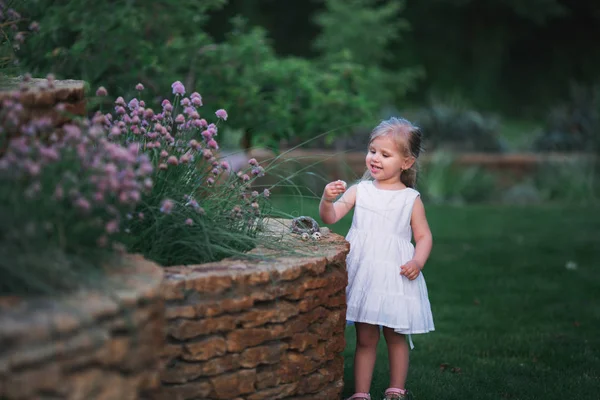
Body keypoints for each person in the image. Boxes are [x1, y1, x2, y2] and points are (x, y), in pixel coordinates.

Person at [319, 117, 434, 400]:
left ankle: (395, 389)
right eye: (373, 151)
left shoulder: (410, 198)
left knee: (395, 334)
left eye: (385, 154)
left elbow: (424, 237)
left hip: (395, 275)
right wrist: (326, 200)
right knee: (366, 337)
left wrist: (417, 262)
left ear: (406, 162)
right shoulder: (361, 190)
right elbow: (331, 217)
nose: (375, 159)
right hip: (365, 274)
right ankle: (361, 393)